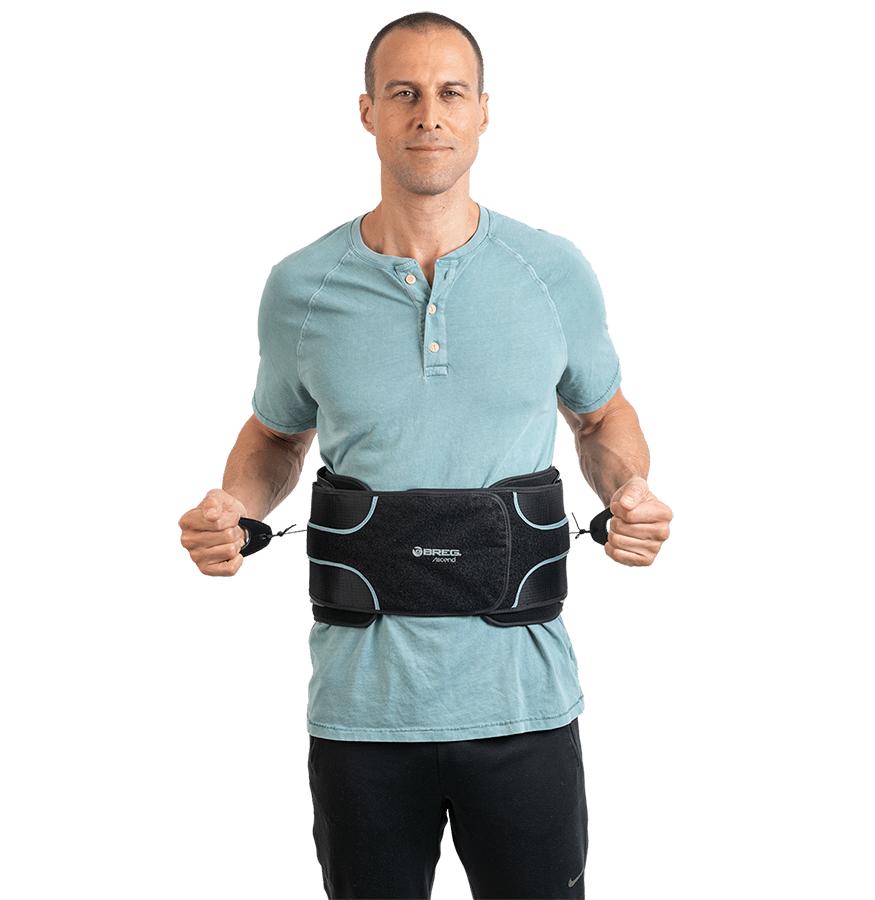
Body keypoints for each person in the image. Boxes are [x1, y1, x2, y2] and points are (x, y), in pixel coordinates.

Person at [178, 11, 673, 900]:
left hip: (524, 706)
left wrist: (630, 488)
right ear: (367, 111)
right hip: (360, 716)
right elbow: (275, 436)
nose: (428, 115)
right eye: (403, 92)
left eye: (451, 93)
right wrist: (234, 508)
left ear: (483, 111)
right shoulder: (300, 285)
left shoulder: (553, 269)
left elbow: (602, 418)